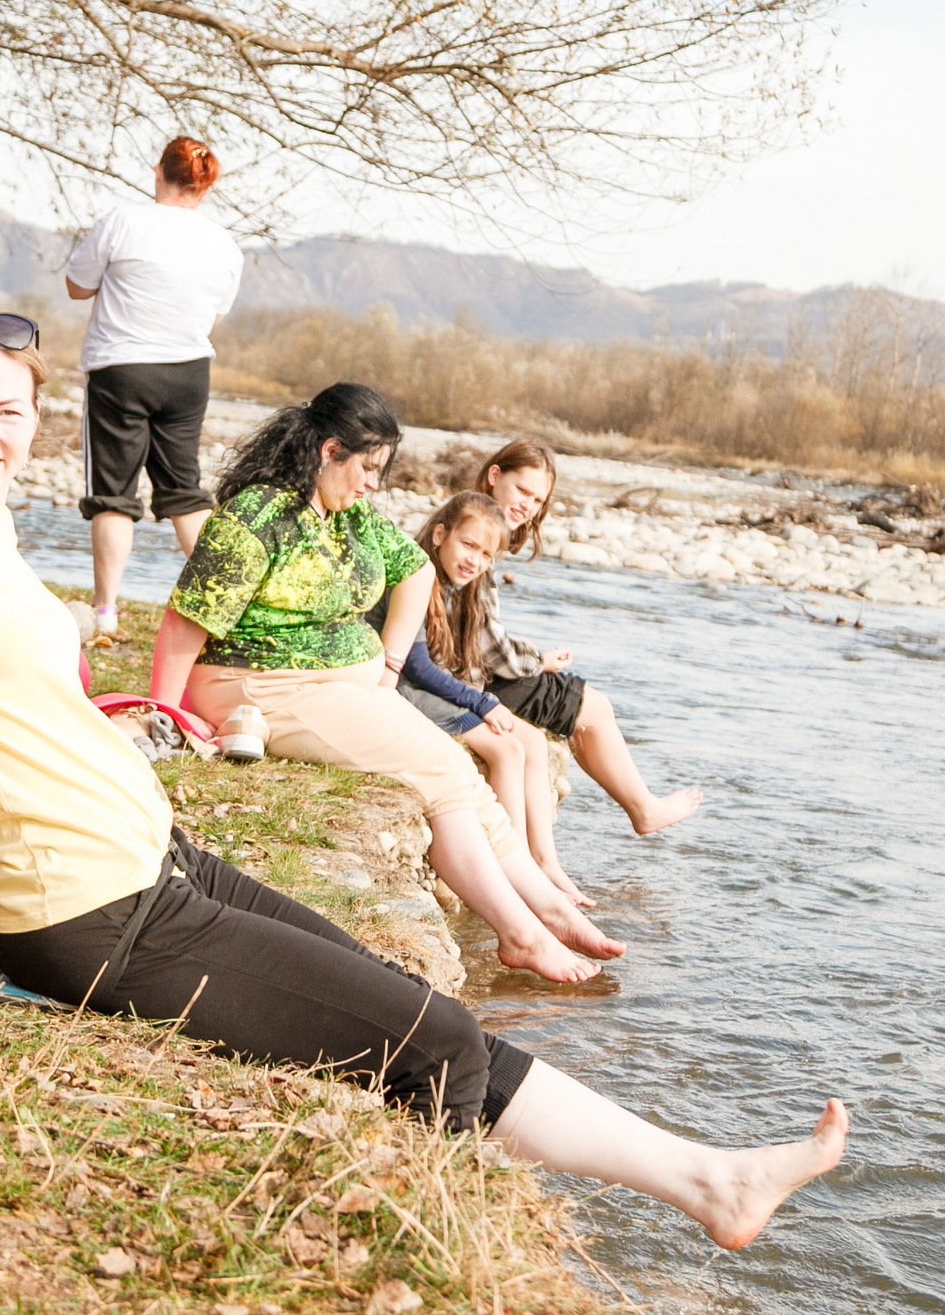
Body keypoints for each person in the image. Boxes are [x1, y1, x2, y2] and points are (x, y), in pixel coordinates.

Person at [0, 308, 848, 1254]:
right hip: (96, 916)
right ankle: (707, 1187)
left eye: (9, 412)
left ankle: (582, 1177)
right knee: (430, 1040)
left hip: (153, 864)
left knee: (403, 1001)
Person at [148, 384, 618, 985]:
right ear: (328, 450)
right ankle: (521, 936)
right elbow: (183, 622)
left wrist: (390, 665)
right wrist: (160, 710)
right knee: (439, 770)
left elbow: (417, 570)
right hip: (260, 684)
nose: (373, 483)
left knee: (457, 770)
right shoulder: (258, 516)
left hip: (338, 687)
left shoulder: (350, 515)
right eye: (367, 468)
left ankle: (548, 909)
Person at [366, 492, 591, 906]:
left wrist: (482, 698)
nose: (475, 561)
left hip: (429, 685)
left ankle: (543, 861)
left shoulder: (458, 585)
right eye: (467, 545)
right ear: (440, 535)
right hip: (405, 689)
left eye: (486, 555)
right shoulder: (415, 575)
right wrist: (482, 703)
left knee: (532, 741)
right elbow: (416, 667)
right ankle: (518, 867)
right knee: (504, 750)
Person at [472, 439, 702, 835]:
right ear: (495, 476)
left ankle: (633, 810)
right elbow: (485, 647)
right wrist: (537, 660)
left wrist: (531, 656)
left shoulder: (476, 523)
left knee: (584, 702)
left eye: (538, 500)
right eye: (522, 491)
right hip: (468, 677)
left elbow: (480, 629)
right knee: (593, 706)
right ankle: (643, 810)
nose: (528, 505)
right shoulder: (475, 530)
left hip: (469, 666)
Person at [65, 136, 245, 636]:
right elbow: (213, 313)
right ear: (206, 187)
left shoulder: (122, 222)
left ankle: (105, 613)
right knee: (184, 490)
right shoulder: (225, 245)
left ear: (157, 172)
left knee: (114, 494)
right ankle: (226, 607)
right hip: (188, 372)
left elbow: (77, 287)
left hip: (121, 369)